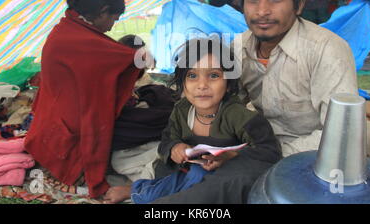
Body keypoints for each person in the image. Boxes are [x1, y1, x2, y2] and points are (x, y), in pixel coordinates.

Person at [235, 0, 370, 159]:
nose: (262, 11)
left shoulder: (327, 50)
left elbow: (340, 135)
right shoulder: (238, 47)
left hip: (316, 150)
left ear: (299, 4)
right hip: (266, 143)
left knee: (359, 137)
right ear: (242, 4)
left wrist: (268, 154)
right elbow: (225, 108)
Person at [106, 37, 281, 204]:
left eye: (213, 76)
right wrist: (175, 147)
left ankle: (140, 192)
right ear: (182, 83)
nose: (202, 85)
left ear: (228, 83)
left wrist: (231, 155)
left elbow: (269, 150)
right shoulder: (182, 110)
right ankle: (139, 190)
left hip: (220, 175)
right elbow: (167, 139)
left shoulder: (239, 116)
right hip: (183, 172)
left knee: (210, 183)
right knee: (176, 177)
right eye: (192, 76)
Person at [24, 0, 145, 200]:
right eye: (112, 19)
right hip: (65, 138)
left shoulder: (70, 30)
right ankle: (80, 169)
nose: (111, 27)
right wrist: (139, 57)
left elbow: (104, 57)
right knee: (143, 126)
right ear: (102, 11)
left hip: (55, 126)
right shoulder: (74, 38)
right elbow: (116, 58)